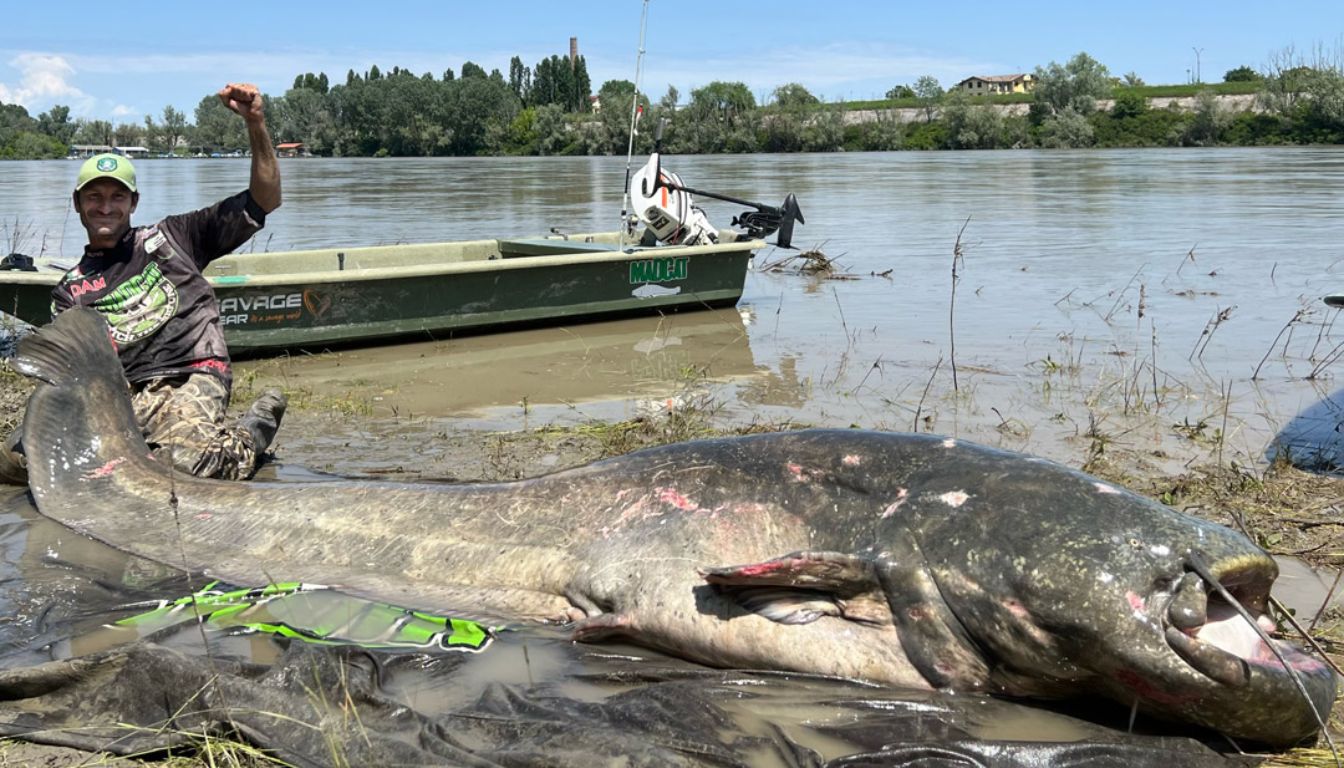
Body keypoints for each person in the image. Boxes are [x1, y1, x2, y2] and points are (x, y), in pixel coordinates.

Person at [0, 82, 286, 483]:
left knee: (186, 467)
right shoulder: (69, 291)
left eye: (117, 197)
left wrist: (255, 124)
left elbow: (265, 199)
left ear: (133, 203)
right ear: (77, 203)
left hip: (191, 374)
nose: (105, 206)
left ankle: (250, 435)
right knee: (19, 463)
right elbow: (74, 373)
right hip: (121, 396)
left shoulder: (175, 237)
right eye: (94, 196)